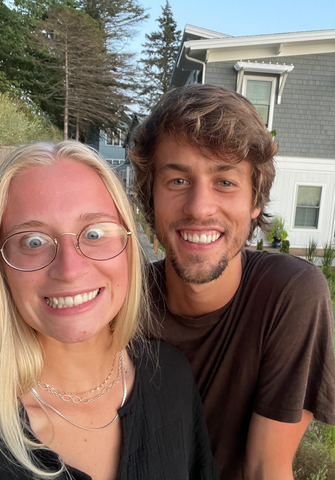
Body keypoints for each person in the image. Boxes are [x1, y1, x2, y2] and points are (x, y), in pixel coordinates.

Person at [130, 84, 335, 480]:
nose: (199, 207)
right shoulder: (122, 303)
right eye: (177, 181)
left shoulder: (288, 294)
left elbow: (265, 468)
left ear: (255, 200)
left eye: (225, 182)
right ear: (150, 197)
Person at [0, 141, 219, 480]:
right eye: (33, 241)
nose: (70, 269)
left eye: (95, 233)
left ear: (127, 247)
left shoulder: (171, 379)